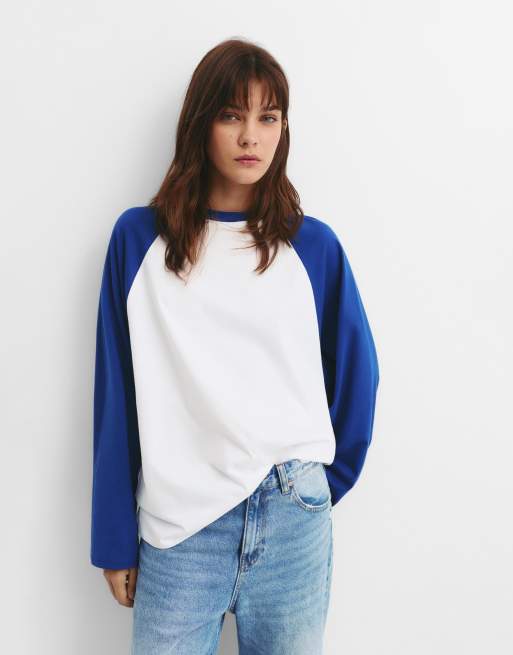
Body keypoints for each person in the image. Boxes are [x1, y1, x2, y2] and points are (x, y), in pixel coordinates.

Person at [90, 37, 380, 654]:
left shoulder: (313, 248)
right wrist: (113, 537)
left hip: (292, 515)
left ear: (283, 130)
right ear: (201, 123)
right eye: (231, 115)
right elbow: (117, 393)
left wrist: (321, 486)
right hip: (179, 529)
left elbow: (359, 375)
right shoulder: (140, 241)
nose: (251, 136)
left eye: (268, 117)